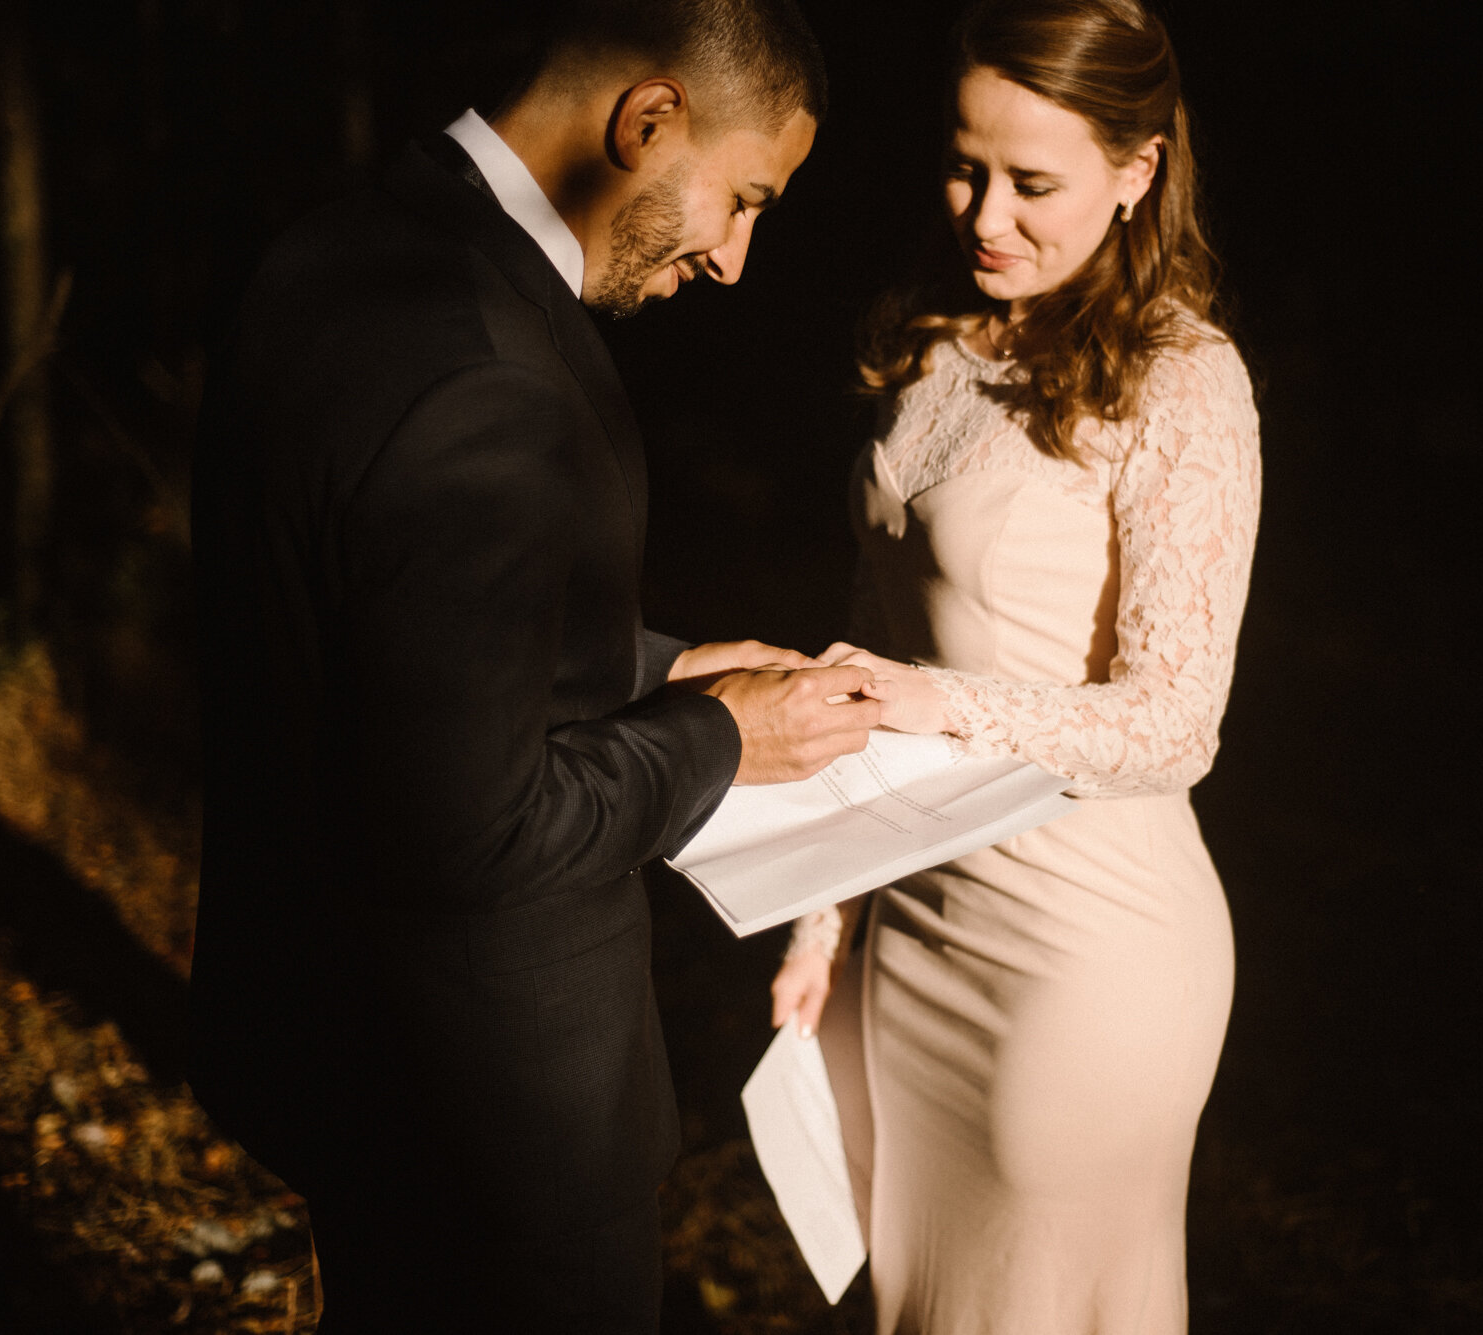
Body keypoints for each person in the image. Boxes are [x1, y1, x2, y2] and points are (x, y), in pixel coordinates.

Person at [189, 3, 883, 1330]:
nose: (735, 259)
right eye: (741, 198)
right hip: (490, 1113)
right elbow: (475, 824)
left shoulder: (345, 251)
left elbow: (391, 626)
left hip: (338, 1047)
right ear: (649, 119)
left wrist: (668, 664)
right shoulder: (489, 371)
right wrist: (725, 738)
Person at [769, 0, 1261, 1328]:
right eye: (964, 164)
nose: (985, 214)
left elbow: (1175, 722)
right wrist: (829, 912)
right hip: (914, 928)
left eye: (1032, 182)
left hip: (1086, 956)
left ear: (1138, 171)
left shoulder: (1183, 381)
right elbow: (875, 639)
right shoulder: (931, 330)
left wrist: (936, 706)